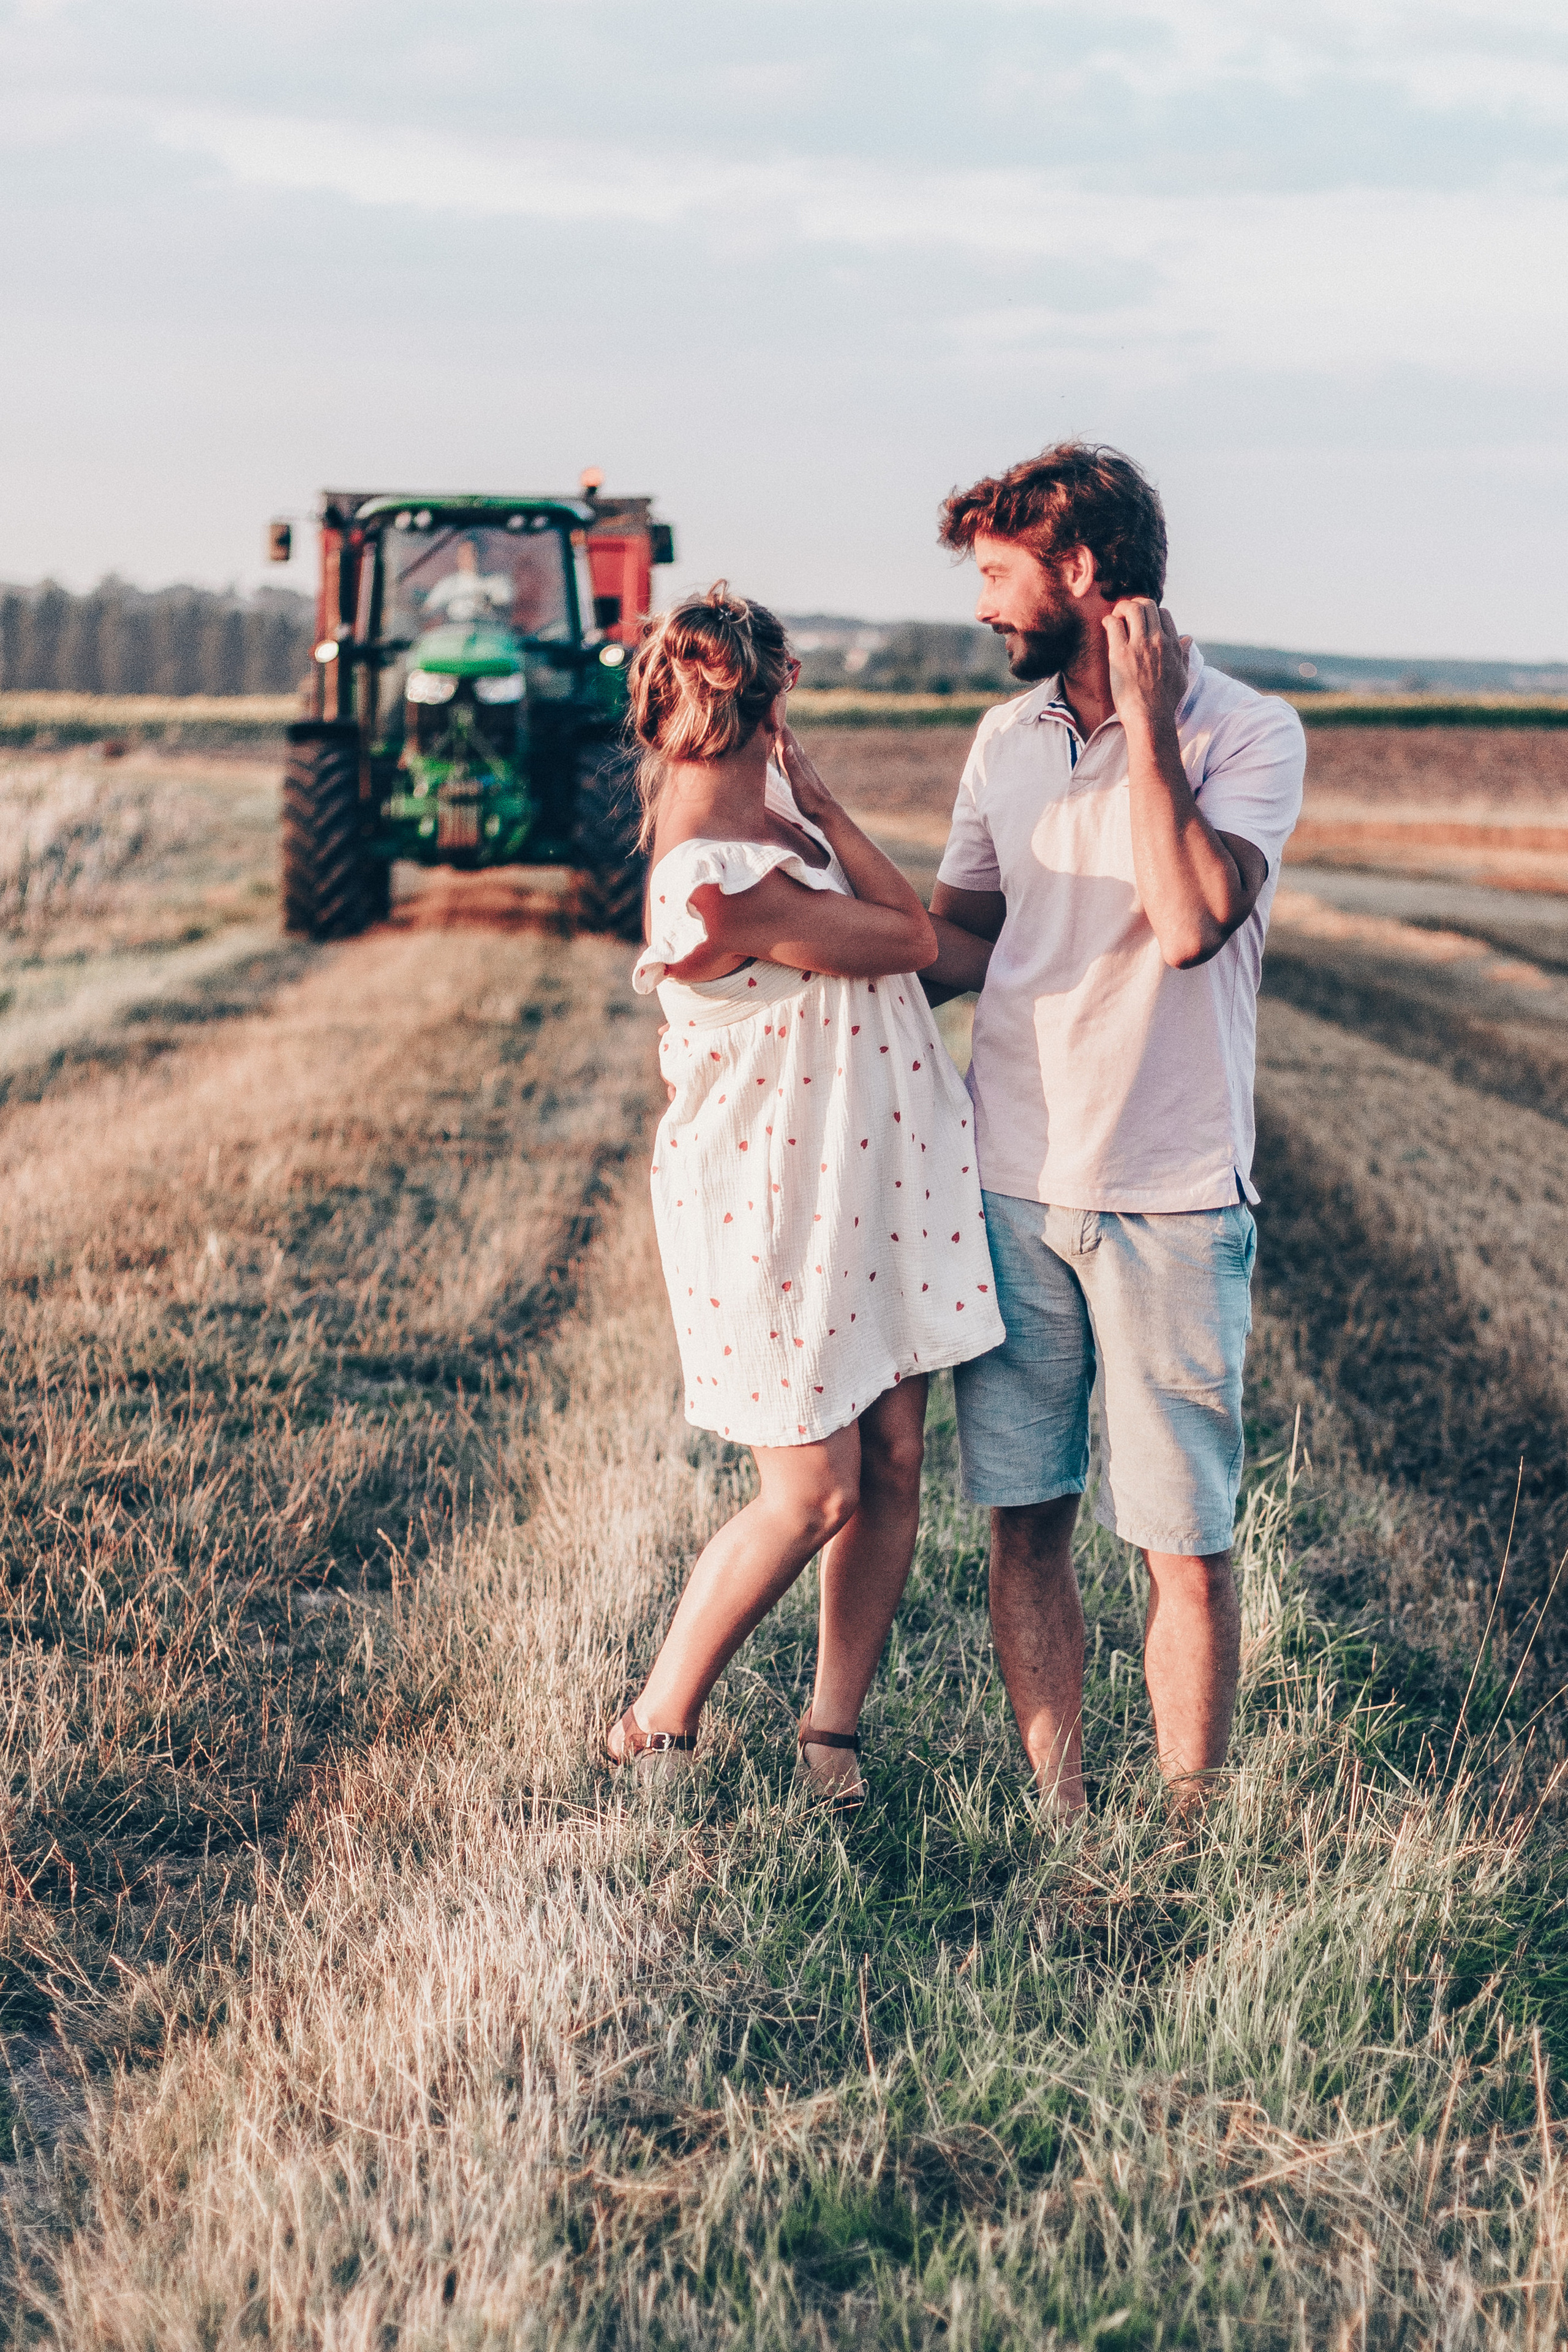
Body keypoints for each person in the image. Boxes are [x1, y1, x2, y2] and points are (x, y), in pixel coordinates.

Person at [922, 443, 1305, 1815]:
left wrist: (1148, 728)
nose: (981, 607)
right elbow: (966, 933)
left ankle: (1189, 1836)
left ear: (1077, 572)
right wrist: (805, 937)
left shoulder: (1247, 732)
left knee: (1180, 1541)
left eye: (997, 575)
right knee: (1023, 1522)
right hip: (1010, 1185)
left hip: (1169, 1194)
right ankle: (1061, 1816)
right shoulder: (1001, 740)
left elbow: (1195, 920)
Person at [609, 584, 1005, 1807]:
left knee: (891, 1460)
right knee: (812, 1490)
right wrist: (827, 814)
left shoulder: (780, 830)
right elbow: (920, 945)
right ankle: (653, 1720)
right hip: (770, 1201)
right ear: (769, 695)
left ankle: (829, 1734)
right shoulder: (718, 882)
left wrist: (823, 810)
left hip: (871, 1183)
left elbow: (943, 947)